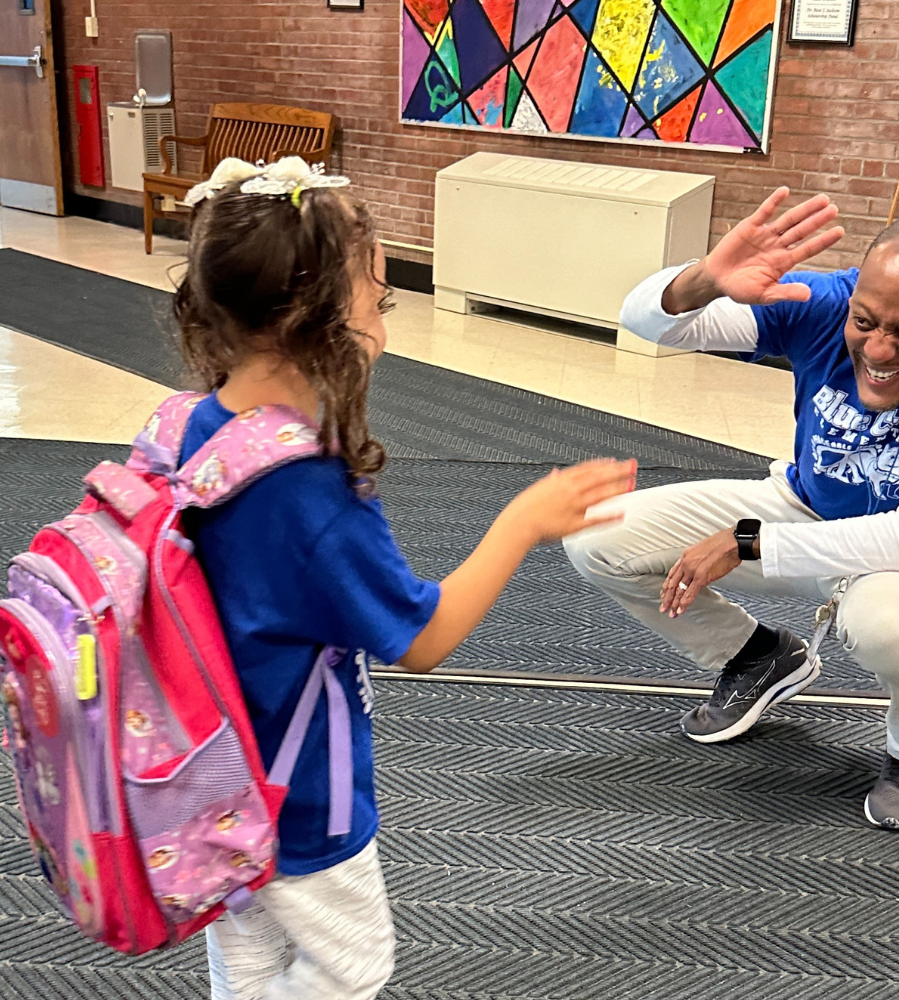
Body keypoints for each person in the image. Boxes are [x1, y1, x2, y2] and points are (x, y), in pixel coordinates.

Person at [171, 158, 636, 999]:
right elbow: (422, 637)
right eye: (374, 301)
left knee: (248, 938)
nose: (380, 324)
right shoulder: (309, 495)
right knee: (350, 966)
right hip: (297, 790)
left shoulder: (191, 426)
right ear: (323, 324)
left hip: (211, 769)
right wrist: (521, 521)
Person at [564, 187, 899, 831]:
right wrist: (704, 279)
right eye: (866, 322)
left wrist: (746, 542)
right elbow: (648, 321)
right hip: (802, 505)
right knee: (598, 538)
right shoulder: (823, 304)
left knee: (884, 624)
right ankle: (757, 656)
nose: (878, 351)